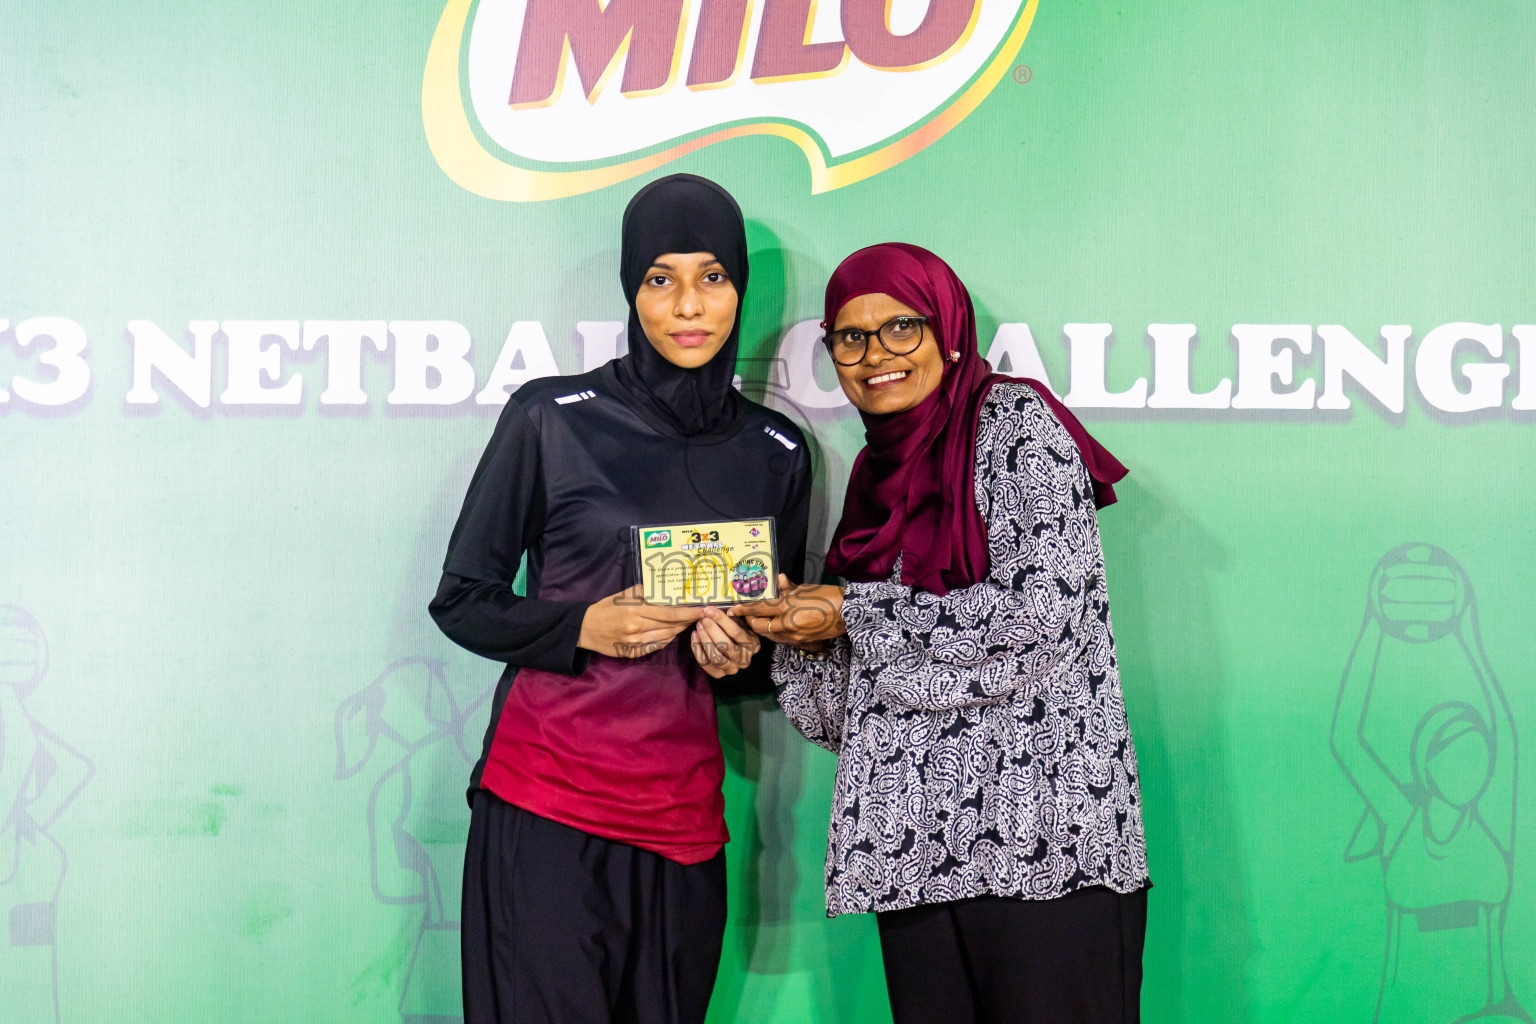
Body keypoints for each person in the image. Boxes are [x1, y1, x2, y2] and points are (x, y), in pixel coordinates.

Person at [429, 174, 812, 1024]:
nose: (688, 305)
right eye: (660, 278)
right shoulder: (551, 418)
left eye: (713, 277)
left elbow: (765, 661)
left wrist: (743, 657)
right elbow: (463, 600)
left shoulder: (777, 449)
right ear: (631, 290)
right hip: (546, 805)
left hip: (685, 829)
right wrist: (582, 626)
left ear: (740, 288)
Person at [735, 243, 1150, 1024]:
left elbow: (1040, 616)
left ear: (948, 333)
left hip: (1045, 852)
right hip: (917, 857)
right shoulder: (871, 480)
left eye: (900, 328)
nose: (874, 356)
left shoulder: (1015, 427)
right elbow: (850, 719)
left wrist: (851, 613)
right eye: (849, 338)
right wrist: (799, 633)